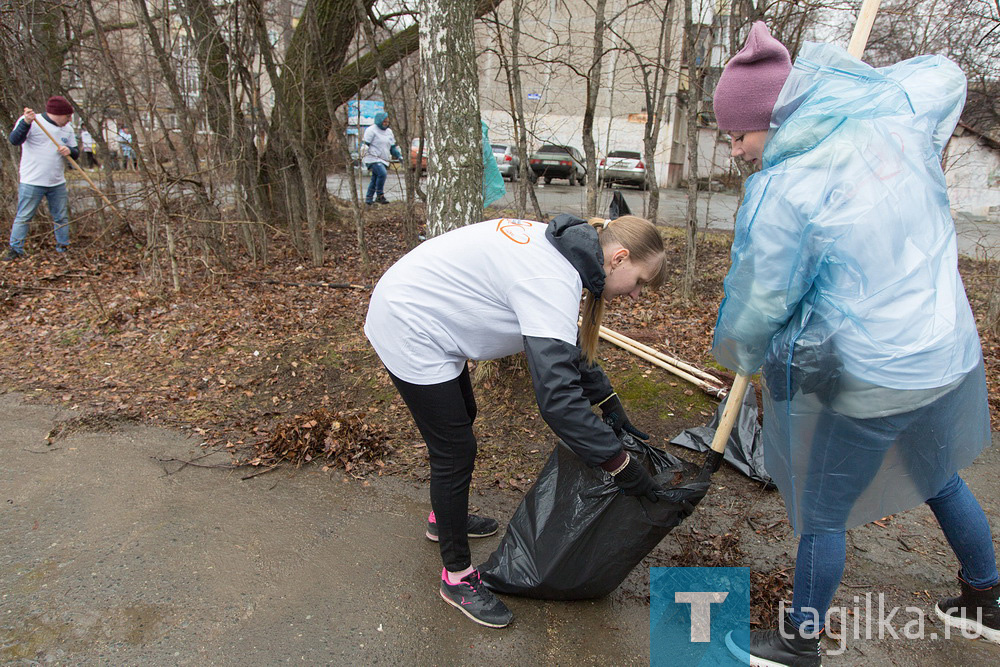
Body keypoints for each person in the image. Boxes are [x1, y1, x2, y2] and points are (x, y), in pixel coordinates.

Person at [708, 23, 999, 666]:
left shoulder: (789, 187)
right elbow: (944, 75)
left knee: (822, 504)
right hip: (942, 350)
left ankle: (799, 640)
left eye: (739, 133)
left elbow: (758, 304)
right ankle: (986, 596)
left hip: (875, 368)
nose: (735, 151)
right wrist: (857, 87)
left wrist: (738, 357)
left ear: (776, 119)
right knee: (937, 472)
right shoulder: (891, 122)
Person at [365, 214, 668, 627]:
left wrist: (608, 399)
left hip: (433, 313)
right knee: (453, 449)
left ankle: (444, 519)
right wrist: (620, 464)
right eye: (639, 283)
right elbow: (558, 401)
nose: (635, 295)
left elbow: (562, 347)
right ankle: (456, 578)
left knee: (462, 418)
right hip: (410, 322)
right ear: (619, 258)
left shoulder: (565, 252)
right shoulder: (552, 277)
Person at [3, 95, 79, 260]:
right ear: (58, 114)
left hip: (57, 181)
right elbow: (15, 140)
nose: (69, 119)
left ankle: (63, 246)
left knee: (61, 216)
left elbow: (76, 151)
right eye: (67, 116)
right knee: (24, 216)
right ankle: (15, 249)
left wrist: (69, 151)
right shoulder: (32, 121)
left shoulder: (68, 129)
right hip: (32, 180)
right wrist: (26, 123)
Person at [361, 111, 400, 205]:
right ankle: (380, 195)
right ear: (379, 121)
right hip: (372, 158)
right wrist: (362, 156)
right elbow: (366, 144)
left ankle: (369, 199)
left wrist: (399, 156)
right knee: (382, 173)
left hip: (384, 159)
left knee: (375, 179)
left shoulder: (389, 132)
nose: (386, 124)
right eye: (384, 122)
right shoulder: (371, 130)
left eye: (387, 122)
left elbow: (392, 147)